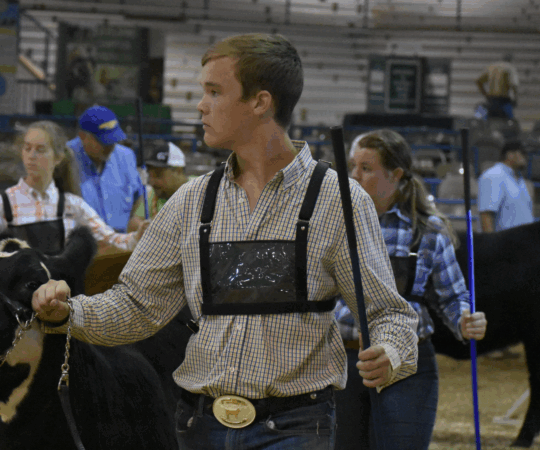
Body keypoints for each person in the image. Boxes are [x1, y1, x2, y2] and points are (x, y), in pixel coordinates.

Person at [32, 33, 420, 450]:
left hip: (296, 426)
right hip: (200, 424)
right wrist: (68, 313)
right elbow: (138, 306)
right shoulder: (191, 201)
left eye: (214, 92)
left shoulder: (338, 200)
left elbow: (388, 313)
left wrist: (390, 351)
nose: (201, 105)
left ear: (260, 102)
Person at [335, 129, 488, 450]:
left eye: (366, 168)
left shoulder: (427, 231)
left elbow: (453, 296)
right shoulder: (335, 226)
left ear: (396, 175)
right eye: (353, 167)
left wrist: (464, 319)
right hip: (343, 362)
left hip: (408, 362)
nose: (355, 175)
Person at [0, 120, 148, 278]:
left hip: (58, 304)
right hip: (16, 308)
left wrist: (137, 237)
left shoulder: (73, 206)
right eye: (27, 148)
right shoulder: (2, 204)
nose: (31, 156)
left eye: (40, 150)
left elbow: (111, 239)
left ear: (58, 157)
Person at [67, 105, 145, 233]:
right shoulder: (66, 159)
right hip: (83, 239)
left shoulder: (126, 156)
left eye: (114, 140)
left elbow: (137, 196)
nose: (110, 146)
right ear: (83, 137)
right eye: (104, 141)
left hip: (121, 239)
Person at [478, 140, 533, 233]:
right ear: (509, 155)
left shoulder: (519, 180)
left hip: (524, 240)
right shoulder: (493, 176)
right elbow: (486, 215)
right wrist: (491, 241)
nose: (526, 157)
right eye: (523, 153)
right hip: (505, 241)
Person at [132, 140, 194, 219]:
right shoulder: (153, 194)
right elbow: (134, 221)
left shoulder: (200, 189)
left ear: (178, 171)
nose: (151, 182)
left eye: (158, 175)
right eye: (150, 175)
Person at [475, 54, 519, 120]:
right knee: (510, 120)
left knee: (484, 118)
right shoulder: (510, 67)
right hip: (504, 100)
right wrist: (515, 99)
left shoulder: (491, 67)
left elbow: (478, 81)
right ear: (510, 60)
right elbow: (514, 85)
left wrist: (485, 94)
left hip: (491, 100)